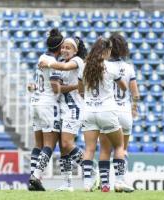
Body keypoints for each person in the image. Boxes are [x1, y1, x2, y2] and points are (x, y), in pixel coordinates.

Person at [78, 37, 129, 192]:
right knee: (118, 146)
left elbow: (80, 90)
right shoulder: (110, 67)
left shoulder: (84, 67)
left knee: (89, 149)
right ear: (107, 51)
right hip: (107, 111)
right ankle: (119, 182)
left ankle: (87, 184)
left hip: (88, 111)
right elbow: (124, 87)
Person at [39, 37, 87, 191]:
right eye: (64, 47)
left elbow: (65, 69)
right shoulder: (60, 62)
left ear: (76, 50)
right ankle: (67, 183)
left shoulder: (78, 61)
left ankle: (91, 170)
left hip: (74, 109)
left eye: (69, 47)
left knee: (67, 143)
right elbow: (57, 88)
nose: (65, 50)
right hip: (61, 109)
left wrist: (50, 63)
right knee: (63, 147)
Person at [98, 33, 140, 193]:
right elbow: (135, 94)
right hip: (124, 112)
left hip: (107, 111)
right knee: (121, 148)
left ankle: (104, 184)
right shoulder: (128, 67)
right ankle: (120, 181)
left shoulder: (103, 66)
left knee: (104, 150)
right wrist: (134, 109)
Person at [28, 28, 64, 191]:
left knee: (38, 143)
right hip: (48, 105)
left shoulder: (41, 57)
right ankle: (36, 176)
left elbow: (37, 81)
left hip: (35, 102)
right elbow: (56, 88)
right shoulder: (53, 63)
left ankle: (32, 178)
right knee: (50, 143)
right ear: (59, 47)